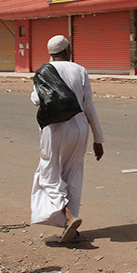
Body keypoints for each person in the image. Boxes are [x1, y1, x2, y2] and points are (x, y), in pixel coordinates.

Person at [30, 35, 104, 243]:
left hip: (55, 130)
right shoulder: (80, 70)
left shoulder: (45, 71)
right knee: (73, 176)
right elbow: (88, 105)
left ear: (51, 53)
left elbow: (36, 98)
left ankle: (68, 217)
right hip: (80, 129)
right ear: (67, 50)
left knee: (48, 174)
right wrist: (98, 138)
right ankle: (71, 228)